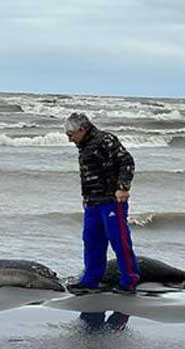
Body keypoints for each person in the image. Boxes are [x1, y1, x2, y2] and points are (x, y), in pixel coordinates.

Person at [64, 112, 140, 296]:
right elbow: (88, 175)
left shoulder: (105, 140)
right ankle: (90, 280)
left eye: (71, 135)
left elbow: (127, 162)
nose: (70, 140)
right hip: (93, 202)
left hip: (112, 200)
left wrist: (123, 187)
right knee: (91, 241)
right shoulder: (83, 146)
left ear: (81, 129)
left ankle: (129, 280)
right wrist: (86, 196)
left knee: (119, 241)